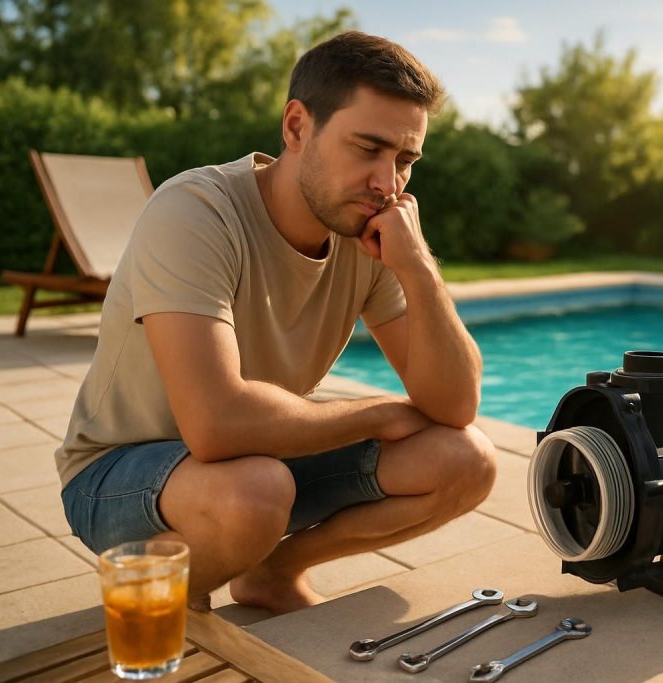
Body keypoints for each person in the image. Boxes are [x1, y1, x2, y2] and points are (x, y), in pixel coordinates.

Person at [55, 31, 496, 614]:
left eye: (404, 161)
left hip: (258, 461)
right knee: (254, 492)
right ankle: (159, 593)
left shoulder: (369, 231)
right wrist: (382, 413)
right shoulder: (196, 210)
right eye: (368, 148)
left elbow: (456, 406)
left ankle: (269, 570)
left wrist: (419, 269)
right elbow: (215, 424)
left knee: (468, 459)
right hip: (118, 475)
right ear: (296, 127)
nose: (387, 184)